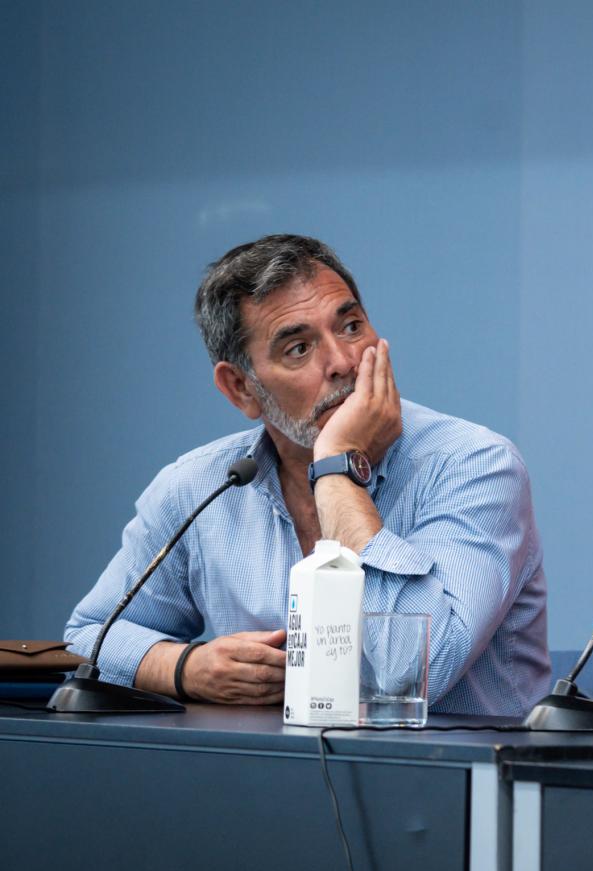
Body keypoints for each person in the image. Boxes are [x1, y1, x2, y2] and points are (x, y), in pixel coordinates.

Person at [65, 234, 551, 715]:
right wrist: (185, 668)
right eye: (298, 348)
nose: (342, 362)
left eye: (352, 326)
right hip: (271, 776)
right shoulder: (203, 485)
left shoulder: (473, 464)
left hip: (454, 778)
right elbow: (90, 637)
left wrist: (338, 465)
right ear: (240, 389)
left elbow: (412, 672)